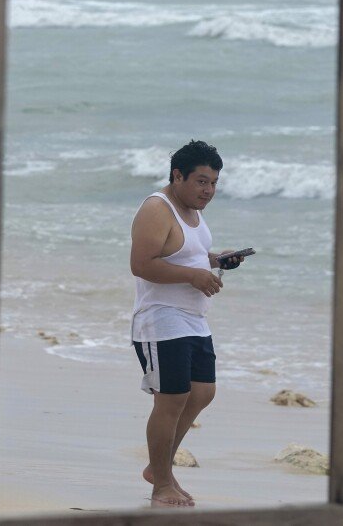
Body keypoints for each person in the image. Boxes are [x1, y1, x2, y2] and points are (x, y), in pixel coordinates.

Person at [128, 140, 246, 508]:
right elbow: (142, 264)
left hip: (194, 319)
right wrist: (194, 277)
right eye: (200, 181)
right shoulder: (156, 209)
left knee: (202, 394)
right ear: (177, 176)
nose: (208, 190)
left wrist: (215, 261)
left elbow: (187, 254)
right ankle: (161, 482)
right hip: (160, 319)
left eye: (213, 183)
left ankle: (157, 467)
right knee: (173, 398)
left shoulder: (193, 211)